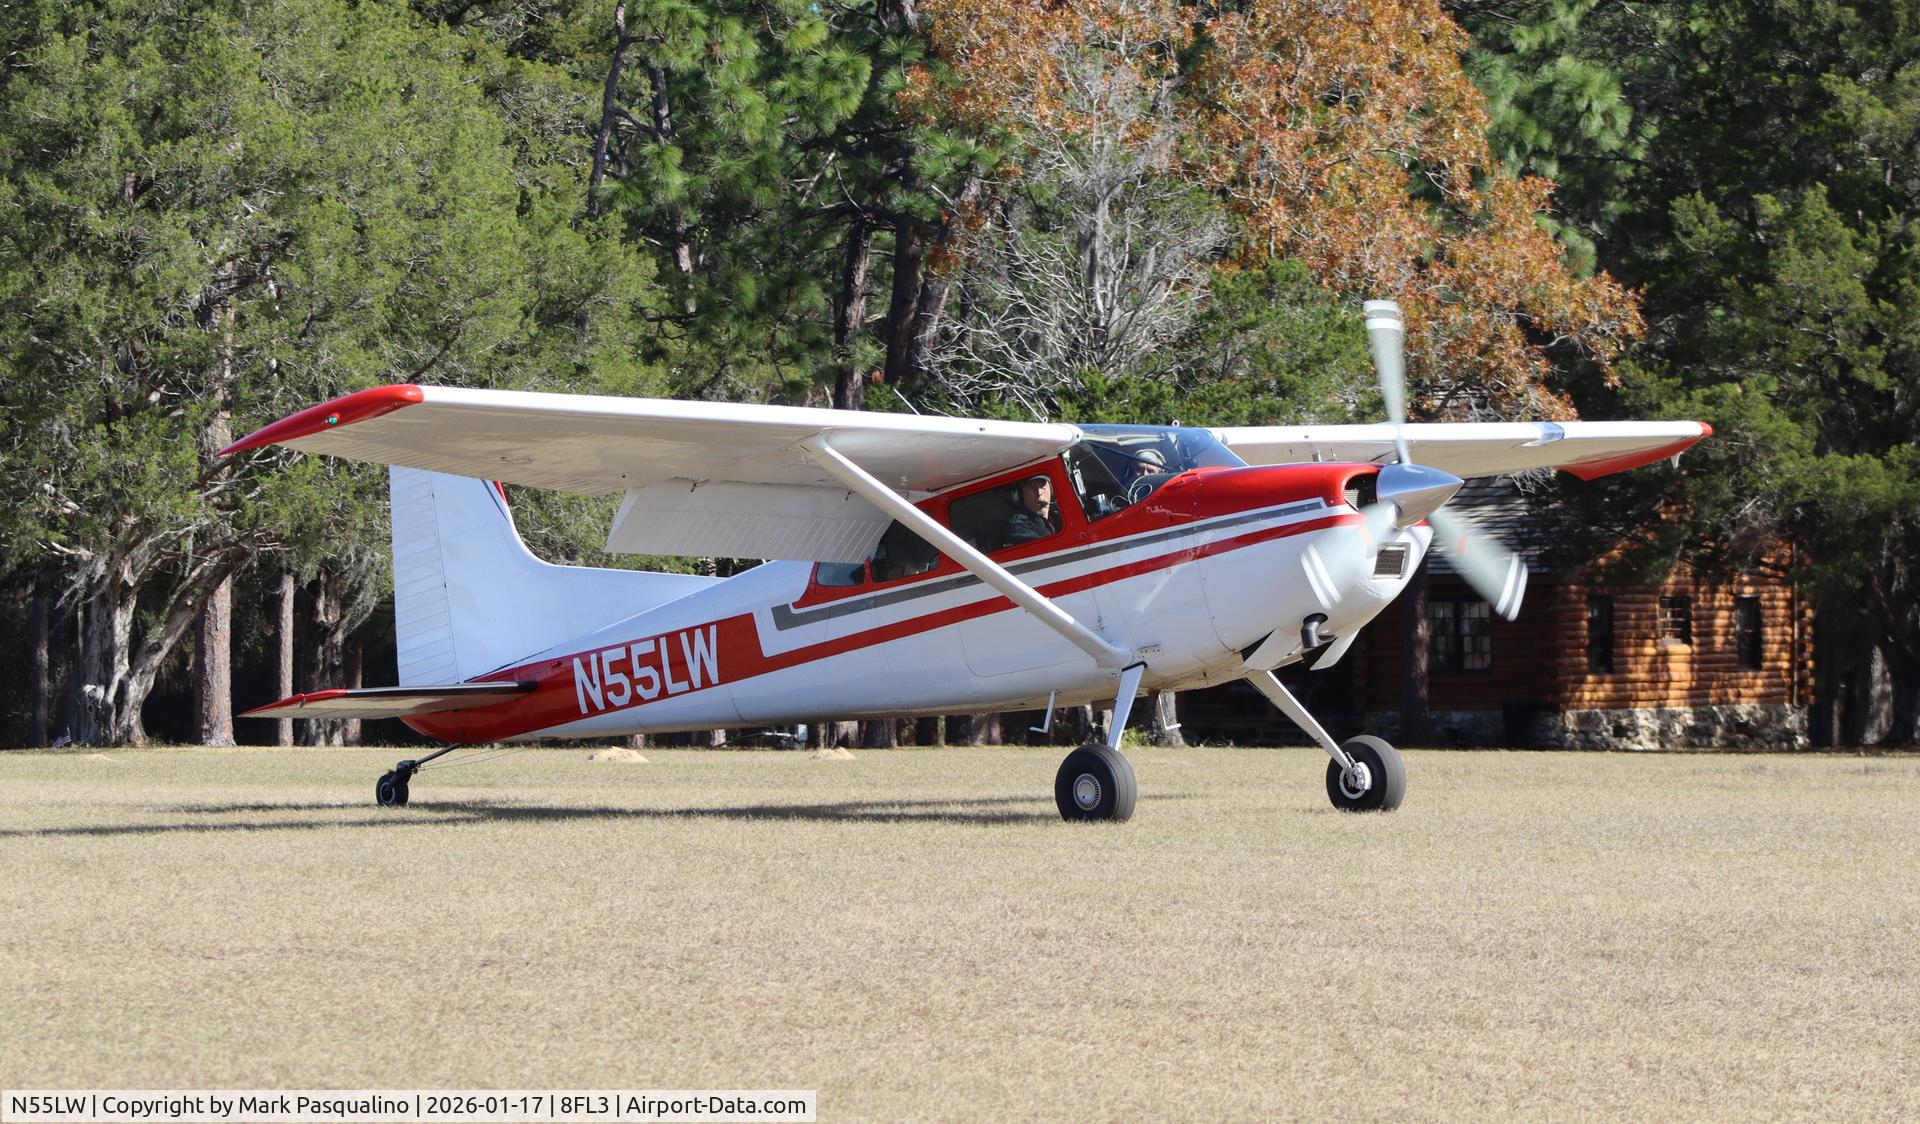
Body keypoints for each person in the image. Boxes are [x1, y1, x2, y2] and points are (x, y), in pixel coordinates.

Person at [1005, 475, 1057, 544]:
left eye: (1043, 486)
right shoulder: (1019, 526)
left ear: (1051, 490)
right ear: (1019, 495)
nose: (1039, 493)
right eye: (1032, 488)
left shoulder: (1057, 517)